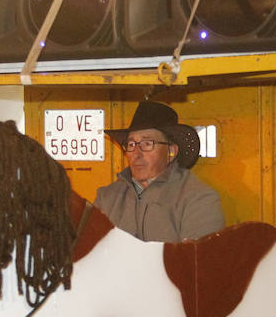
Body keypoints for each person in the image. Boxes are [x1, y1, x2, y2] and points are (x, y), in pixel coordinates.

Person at [94, 99, 225, 242]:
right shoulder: (107, 198)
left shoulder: (198, 200)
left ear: (171, 151)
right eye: (131, 144)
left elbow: (195, 260)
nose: (136, 154)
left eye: (147, 144)